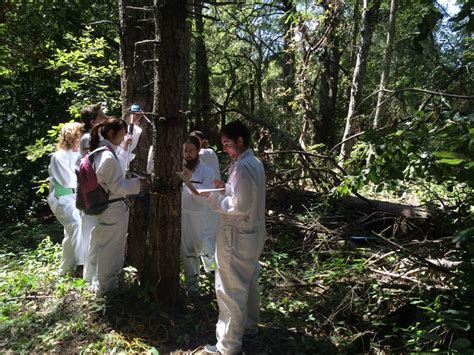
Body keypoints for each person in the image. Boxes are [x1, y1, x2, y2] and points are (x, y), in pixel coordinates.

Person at [203, 120, 267, 355]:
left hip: (237, 235)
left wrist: (212, 198)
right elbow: (243, 195)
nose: (225, 149)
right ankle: (248, 326)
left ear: (241, 141)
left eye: (228, 144)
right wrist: (225, 188)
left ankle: (228, 346)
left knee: (229, 288)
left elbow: (238, 206)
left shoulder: (244, 166)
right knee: (247, 281)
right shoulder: (252, 162)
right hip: (251, 233)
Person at [84, 117, 148, 296]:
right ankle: (106, 288)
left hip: (102, 206)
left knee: (99, 244)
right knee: (111, 249)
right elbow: (117, 186)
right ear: (111, 134)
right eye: (121, 135)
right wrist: (138, 183)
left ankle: (94, 279)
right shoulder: (107, 156)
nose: (122, 139)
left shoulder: (99, 151)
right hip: (112, 208)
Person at [47, 122, 84, 276]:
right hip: (62, 198)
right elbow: (67, 181)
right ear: (74, 137)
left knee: (70, 233)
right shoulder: (58, 156)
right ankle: (82, 264)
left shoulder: (79, 154)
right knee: (76, 224)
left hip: (76, 197)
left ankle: (65, 270)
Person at [180, 136, 215, 295]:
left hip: (195, 217)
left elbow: (205, 197)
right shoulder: (177, 167)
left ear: (198, 151)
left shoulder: (207, 172)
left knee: (191, 252)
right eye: (185, 151)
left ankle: (193, 288)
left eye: (191, 151)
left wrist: (190, 179)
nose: (187, 154)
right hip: (177, 214)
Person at [190, 130, 220, 272]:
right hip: (214, 198)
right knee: (211, 234)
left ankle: (212, 268)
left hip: (206, 199)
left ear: (202, 141)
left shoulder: (204, 154)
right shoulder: (211, 153)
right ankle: (213, 265)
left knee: (205, 235)